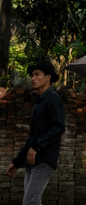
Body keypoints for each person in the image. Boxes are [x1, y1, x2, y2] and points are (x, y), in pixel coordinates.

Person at [3, 57, 65, 205]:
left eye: (37, 74)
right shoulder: (39, 103)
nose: (33, 78)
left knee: (30, 201)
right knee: (32, 201)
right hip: (32, 160)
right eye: (32, 75)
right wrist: (16, 162)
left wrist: (37, 147)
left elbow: (58, 127)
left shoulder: (53, 99)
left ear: (48, 77)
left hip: (44, 159)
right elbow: (32, 136)